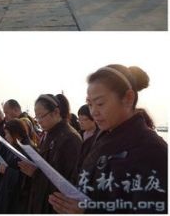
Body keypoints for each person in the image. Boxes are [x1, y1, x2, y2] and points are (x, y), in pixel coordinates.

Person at [49, 65, 167, 213]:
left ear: (128, 98)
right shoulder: (95, 142)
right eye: (90, 104)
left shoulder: (152, 150)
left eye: (100, 103)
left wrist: (88, 212)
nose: (94, 112)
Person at [20, 93, 82, 213]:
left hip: (54, 206)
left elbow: (67, 181)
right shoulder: (50, 134)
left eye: (41, 116)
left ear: (56, 112)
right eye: (36, 117)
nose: (38, 121)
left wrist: (35, 173)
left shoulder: (70, 138)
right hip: (41, 200)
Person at [76, 104, 98, 169]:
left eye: (84, 119)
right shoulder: (78, 135)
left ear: (93, 119)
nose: (80, 122)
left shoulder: (99, 137)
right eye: (79, 119)